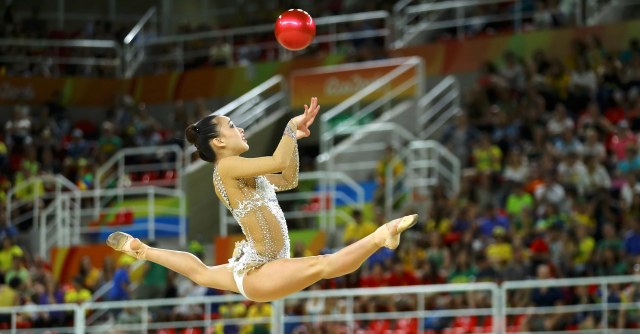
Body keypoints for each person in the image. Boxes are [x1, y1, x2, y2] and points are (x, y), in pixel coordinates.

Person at [107, 97, 418, 302]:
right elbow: (279, 162)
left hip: (260, 262)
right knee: (323, 264)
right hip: (261, 271)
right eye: (231, 126)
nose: (239, 128)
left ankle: (143, 250)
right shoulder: (227, 167)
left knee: (202, 272)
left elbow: (288, 178)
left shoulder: (241, 171)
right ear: (218, 142)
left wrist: (293, 140)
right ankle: (381, 235)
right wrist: (289, 127)